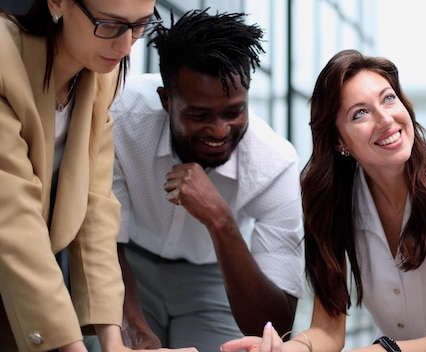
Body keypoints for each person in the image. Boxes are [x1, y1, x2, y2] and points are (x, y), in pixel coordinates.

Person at [221, 48, 426, 352]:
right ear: (339, 141)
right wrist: (288, 350)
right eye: (360, 113)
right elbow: (327, 329)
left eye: (389, 98)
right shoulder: (332, 203)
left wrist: (383, 351)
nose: (385, 119)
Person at [0, 0, 197, 351]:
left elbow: (96, 209)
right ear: (58, 3)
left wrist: (114, 341)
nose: (125, 47)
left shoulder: (98, 79)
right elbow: (14, 220)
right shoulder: (4, 60)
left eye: (139, 27)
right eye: (110, 25)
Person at [109, 8, 304, 352]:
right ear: (166, 101)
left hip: (213, 276)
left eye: (233, 112)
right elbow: (105, 243)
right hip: (127, 264)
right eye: (199, 115)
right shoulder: (122, 118)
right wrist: (137, 334)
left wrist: (221, 220)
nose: (218, 130)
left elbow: (276, 323)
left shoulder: (276, 165)